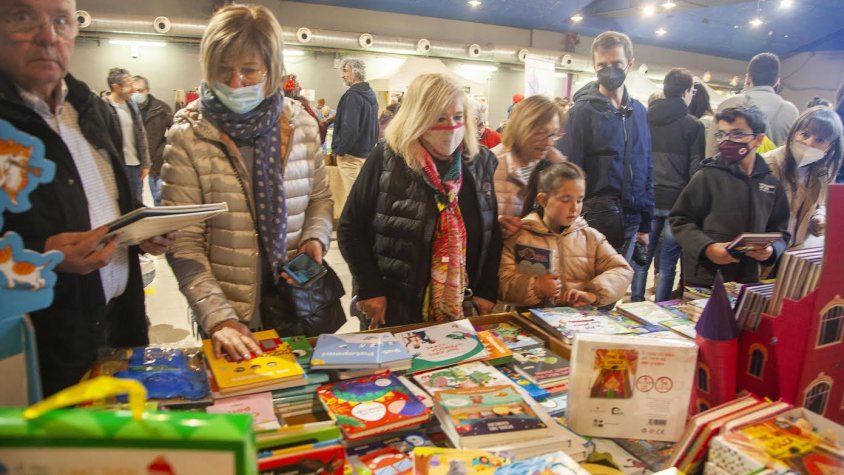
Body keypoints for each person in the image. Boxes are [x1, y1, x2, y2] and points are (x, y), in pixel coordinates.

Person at [0, 0, 174, 395]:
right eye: (23, 17)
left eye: (61, 20)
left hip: (119, 324)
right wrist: (45, 257)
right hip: (40, 349)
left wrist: (141, 234)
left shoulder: (89, 109)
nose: (48, 36)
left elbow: (108, 204)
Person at [162, 4, 333, 360]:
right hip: (231, 313)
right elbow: (184, 241)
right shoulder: (189, 134)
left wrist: (315, 237)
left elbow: (319, 198)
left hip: (295, 300)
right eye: (223, 70)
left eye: (249, 70)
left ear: (272, 69)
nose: (235, 83)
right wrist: (218, 317)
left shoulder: (300, 124)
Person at [338, 73, 501, 328]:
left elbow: (492, 232)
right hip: (394, 306)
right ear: (418, 117)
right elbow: (351, 227)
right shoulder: (387, 158)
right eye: (439, 118)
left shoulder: (480, 162)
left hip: (462, 307)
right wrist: (370, 288)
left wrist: (487, 291)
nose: (451, 127)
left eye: (458, 117)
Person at [557, 31, 654, 264]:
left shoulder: (639, 112)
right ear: (594, 66)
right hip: (592, 222)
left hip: (631, 222)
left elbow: (646, 166)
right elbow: (568, 171)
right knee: (588, 285)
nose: (609, 70)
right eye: (602, 65)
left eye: (617, 64)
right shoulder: (581, 113)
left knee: (618, 282)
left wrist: (645, 223)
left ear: (629, 64)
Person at [670, 105, 790, 286]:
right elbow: (680, 219)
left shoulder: (771, 183)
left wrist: (772, 250)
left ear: (758, 139)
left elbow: (780, 231)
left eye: (737, 134)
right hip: (705, 277)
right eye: (722, 134)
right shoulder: (707, 176)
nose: (727, 141)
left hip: (747, 278)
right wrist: (707, 247)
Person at [498, 162, 632, 308]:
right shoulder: (520, 236)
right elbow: (501, 283)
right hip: (528, 318)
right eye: (566, 200)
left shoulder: (591, 237)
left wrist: (593, 295)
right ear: (542, 200)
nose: (574, 208)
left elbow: (622, 270)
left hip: (577, 317)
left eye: (579, 200)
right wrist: (536, 286)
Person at [631, 68, 705, 302]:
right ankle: (660, 308)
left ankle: (635, 303)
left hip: (647, 200)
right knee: (667, 262)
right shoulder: (693, 125)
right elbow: (695, 169)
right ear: (686, 91)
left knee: (641, 257)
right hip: (677, 203)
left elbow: (635, 160)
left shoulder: (645, 119)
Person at [763, 106, 843, 249]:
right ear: (794, 132)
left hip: (795, 250)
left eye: (820, 140)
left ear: (830, 146)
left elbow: (821, 204)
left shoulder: (824, 172)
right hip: (767, 250)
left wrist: (819, 217)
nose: (809, 143)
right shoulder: (768, 165)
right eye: (805, 134)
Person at [491, 95, 565, 237]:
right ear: (522, 127)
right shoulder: (492, 164)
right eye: (541, 133)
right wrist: (497, 224)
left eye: (553, 134)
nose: (549, 142)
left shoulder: (554, 165)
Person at [706, 53, 799, 157]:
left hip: (731, 167)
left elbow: (712, 148)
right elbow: (792, 152)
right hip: (773, 167)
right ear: (777, 81)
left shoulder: (729, 104)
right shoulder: (791, 111)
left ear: (748, 77)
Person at [332, 57, 378, 194]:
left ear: (356, 71)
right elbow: (374, 126)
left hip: (350, 156)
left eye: (345, 71)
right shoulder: (371, 94)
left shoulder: (352, 95)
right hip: (366, 153)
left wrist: (341, 150)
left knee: (353, 197)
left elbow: (350, 128)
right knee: (361, 195)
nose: (342, 75)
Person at [105, 67, 150, 203]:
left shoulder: (132, 106)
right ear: (116, 87)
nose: (133, 89)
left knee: (137, 204)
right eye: (129, 85)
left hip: (135, 166)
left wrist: (145, 163)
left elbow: (141, 134)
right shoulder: (103, 107)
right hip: (115, 167)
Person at [132, 75, 173, 206]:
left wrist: (163, 150)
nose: (136, 94)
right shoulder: (128, 109)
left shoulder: (161, 108)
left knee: (159, 197)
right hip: (135, 162)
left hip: (156, 162)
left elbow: (174, 132)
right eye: (134, 91)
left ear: (147, 90)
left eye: (140, 90)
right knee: (136, 200)